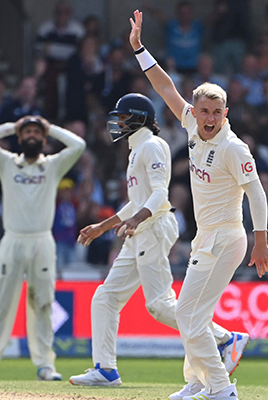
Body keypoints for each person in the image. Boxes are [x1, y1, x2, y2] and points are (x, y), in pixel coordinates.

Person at [129, 10, 268, 400]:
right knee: (189, 315)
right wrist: (140, 48)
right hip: (204, 238)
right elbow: (164, 87)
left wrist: (261, 240)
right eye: (203, 111)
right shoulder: (192, 124)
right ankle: (196, 382)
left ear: (227, 113)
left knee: (191, 317)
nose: (208, 118)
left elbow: (257, 193)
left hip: (228, 239)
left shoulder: (233, 147)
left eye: (216, 112)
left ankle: (222, 390)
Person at [69, 93, 242, 387]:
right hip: (140, 230)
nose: (118, 123)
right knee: (105, 297)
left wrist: (136, 220)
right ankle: (105, 370)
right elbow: (136, 202)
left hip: (153, 227)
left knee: (160, 304)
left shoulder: (152, 145)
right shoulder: (136, 149)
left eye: (123, 118)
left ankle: (226, 339)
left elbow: (160, 194)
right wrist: (103, 225)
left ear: (138, 118)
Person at [0, 115, 85, 381]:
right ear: (20, 139)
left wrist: (50, 127)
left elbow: (78, 145)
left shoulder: (53, 165)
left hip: (42, 242)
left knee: (43, 304)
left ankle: (45, 365)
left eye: (37, 132)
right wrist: (14, 126)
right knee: (1, 302)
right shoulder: (8, 163)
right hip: (12, 240)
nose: (32, 136)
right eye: (27, 133)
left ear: (44, 139)